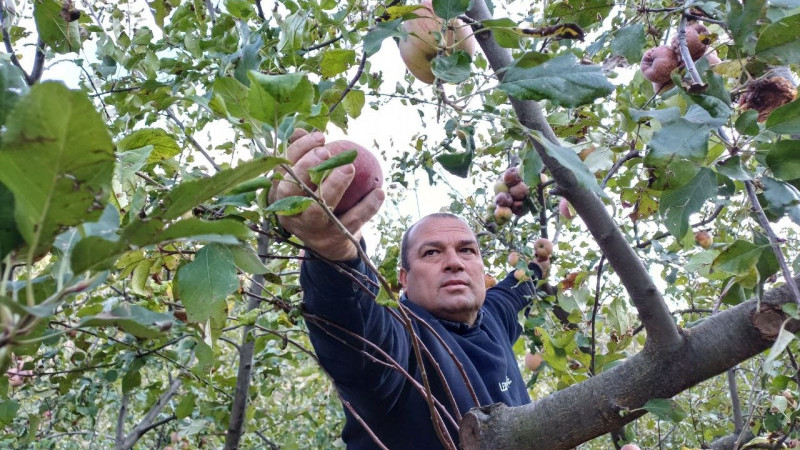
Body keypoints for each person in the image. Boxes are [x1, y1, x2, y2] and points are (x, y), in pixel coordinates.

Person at [269, 130, 547, 449]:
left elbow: (514, 290)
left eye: (468, 250)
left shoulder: (492, 318)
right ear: (403, 278)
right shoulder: (403, 339)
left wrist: (539, 265)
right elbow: (359, 332)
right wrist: (334, 253)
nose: (454, 262)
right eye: (431, 252)